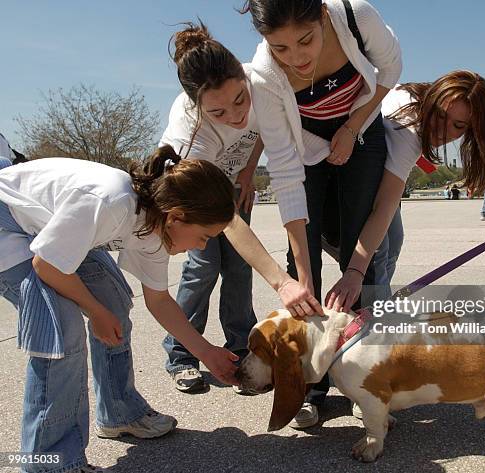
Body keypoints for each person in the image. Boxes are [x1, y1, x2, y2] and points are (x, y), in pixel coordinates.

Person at [0, 147, 319, 473]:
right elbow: (47, 266)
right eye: (204, 236)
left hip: (43, 229)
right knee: (62, 330)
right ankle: (47, 463)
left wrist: (206, 351)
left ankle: (119, 412)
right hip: (7, 223)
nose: (202, 246)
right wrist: (94, 311)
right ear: (177, 217)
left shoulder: (155, 225)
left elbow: (159, 301)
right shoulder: (112, 201)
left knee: (115, 304)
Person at [242, 0, 402, 428]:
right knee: (303, 266)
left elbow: (389, 71)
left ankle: (366, 374)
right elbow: (285, 170)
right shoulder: (262, 75)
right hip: (303, 151)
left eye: (306, 40)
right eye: (280, 48)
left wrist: (351, 128)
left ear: (324, 17)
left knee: (358, 259)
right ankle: (310, 387)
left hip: (361, 130)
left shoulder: (356, 15)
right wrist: (303, 275)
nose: (296, 57)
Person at [326, 70, 485, 314]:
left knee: (394, 240)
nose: (443, 130)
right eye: (440, 116)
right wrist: (355, 272)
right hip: (334, 184)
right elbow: (384, 205)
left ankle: (377, 300)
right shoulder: (408, 131)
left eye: (458, 126)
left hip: (367, 175)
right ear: (432, 100)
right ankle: (375, 322)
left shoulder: (408, 94)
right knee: (377, 254)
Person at [159, 22, 264, 394]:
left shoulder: (259, 80)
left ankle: (239, 351)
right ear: (198, 106)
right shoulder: (188, 128)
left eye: (239, 101)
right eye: (218, 112)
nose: (236, 116)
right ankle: (182, 354)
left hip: (235, 185)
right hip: (198, 195)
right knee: (205, 266)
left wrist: (248, 173)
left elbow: (266, 128)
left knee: (239, 269)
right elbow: (205, 201)